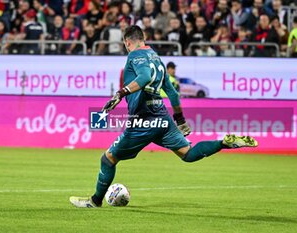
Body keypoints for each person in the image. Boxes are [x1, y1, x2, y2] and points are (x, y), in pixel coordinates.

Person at [69, 25, 258, 208]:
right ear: (143, 38)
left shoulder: (135, 55)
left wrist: (121, 93)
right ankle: (223, 143)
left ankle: (95, 201)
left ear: (127, 42)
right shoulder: (157, 59)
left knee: (108, 159)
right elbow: (173, 94)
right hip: (162, 115)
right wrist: (181, 120)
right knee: (188, 153)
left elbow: (143, 78)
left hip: (143, 118)